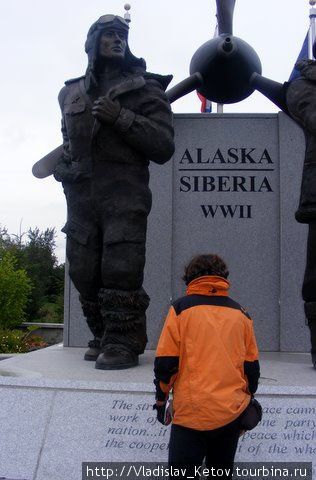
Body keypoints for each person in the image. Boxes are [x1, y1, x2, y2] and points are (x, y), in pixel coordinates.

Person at [53, 15, 175, 370]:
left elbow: (163, 145)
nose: (118, 41)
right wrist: (64, 166)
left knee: (121, 268)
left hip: (124, 193)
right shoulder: (70, 93)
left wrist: (120, 116)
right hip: (80, 196)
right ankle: (102, 334)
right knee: (83, 269)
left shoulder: (145, 89)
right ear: (92, 42)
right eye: (110, 35)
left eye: (123, 35)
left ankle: (123, 343)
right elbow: (67, 141)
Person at [153, 254, 260, 478]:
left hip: (190, 414)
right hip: (230, 414)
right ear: (223, 277)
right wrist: (247, 400)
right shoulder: (241, 314)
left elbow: (167, 362)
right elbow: (251, 368)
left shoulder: (180, 309)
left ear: (190, 277)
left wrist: (161, 399)